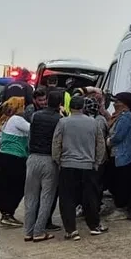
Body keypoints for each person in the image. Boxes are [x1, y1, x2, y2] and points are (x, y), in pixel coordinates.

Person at [52, 96, 108, 239]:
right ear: (83, 107)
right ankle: (94, 226)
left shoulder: (63, 122)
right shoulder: (93, 123)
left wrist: (58, 160)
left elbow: (56, 143)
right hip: (88, 166)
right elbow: (101, 145)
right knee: (90, 197)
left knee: (67, 198)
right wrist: (96, 163)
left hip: (68, 165)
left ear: (70, 107)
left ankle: (71, 230)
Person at [23, 91, 63, 242]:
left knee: (30, 196)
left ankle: (28, 231)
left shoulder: (35, 116)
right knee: (46, 197)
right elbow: (58, 141)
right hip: (49, 160)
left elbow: (30, 137)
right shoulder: (60, 120)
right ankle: (39, 231)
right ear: (59, 104)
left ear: (47, 100)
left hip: (33, 158)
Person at [0, 96, 30, 227]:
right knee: (17, 186)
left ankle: (6, 213)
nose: (25, 108)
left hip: (4, 156)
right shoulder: (17, 120)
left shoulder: (7, 120)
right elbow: (33, 128)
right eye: (22, 105)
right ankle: (8, 213)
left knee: (4, 186)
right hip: (15, 157)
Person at [108, 92, 131, 217]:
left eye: (117, 102)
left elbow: (118, 136)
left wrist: (109, 141)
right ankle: (119, 205)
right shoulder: (119, 116)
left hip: (124, 156)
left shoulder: (126, 117)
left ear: (124, 104)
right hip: (117, 155)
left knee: (121, 183)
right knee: (114, 181)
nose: (114, 104)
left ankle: (121, 208)